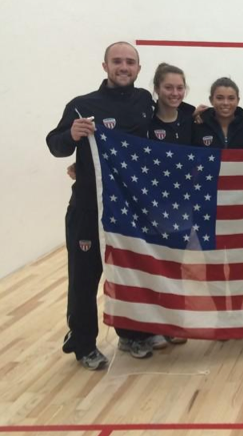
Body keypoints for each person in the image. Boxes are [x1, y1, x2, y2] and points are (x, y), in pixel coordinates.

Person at [46, 42, 154, 369]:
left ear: (138, 68)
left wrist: (197, 113)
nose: (124, 67)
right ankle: (83, 344)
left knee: (129, 274)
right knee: (84, 278)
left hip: (130, 210)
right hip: (88, 211)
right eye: (117, 61)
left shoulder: (145, 101)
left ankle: (131, 334)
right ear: (105, 66)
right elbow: (55, 144)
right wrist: (72, 135)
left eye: (130, 62)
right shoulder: (81, 106)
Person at [145, 63, 195, 347]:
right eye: (168, 87)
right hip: (149, 207)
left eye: (179, 88)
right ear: (157, 88)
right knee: (153, 266)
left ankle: (174, 322)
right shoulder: (144, 121)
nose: (175, 93)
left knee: (176, 266)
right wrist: (85, 163)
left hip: (182, 208)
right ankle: (152, 325)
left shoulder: (191, 118)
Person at [192, 78, 243, 149]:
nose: (225, 103)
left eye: (231, 98)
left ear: (238, 100)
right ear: (211, 100)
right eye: (219, 98)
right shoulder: (198, 124)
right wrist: (191, 118)